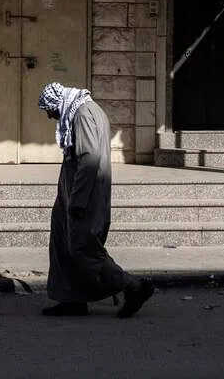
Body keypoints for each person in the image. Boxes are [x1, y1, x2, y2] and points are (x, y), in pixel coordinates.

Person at [37, 81, 155, 318]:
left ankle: (133, 286)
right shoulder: (82, 111)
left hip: (84, 194)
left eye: (50, 109)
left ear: (58, 103)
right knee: (64, 244)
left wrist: (77, 201)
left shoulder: (83, 113)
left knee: (84, 248)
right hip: (74, 191)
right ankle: (72, 299)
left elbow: (89, 159)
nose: (50, 116)